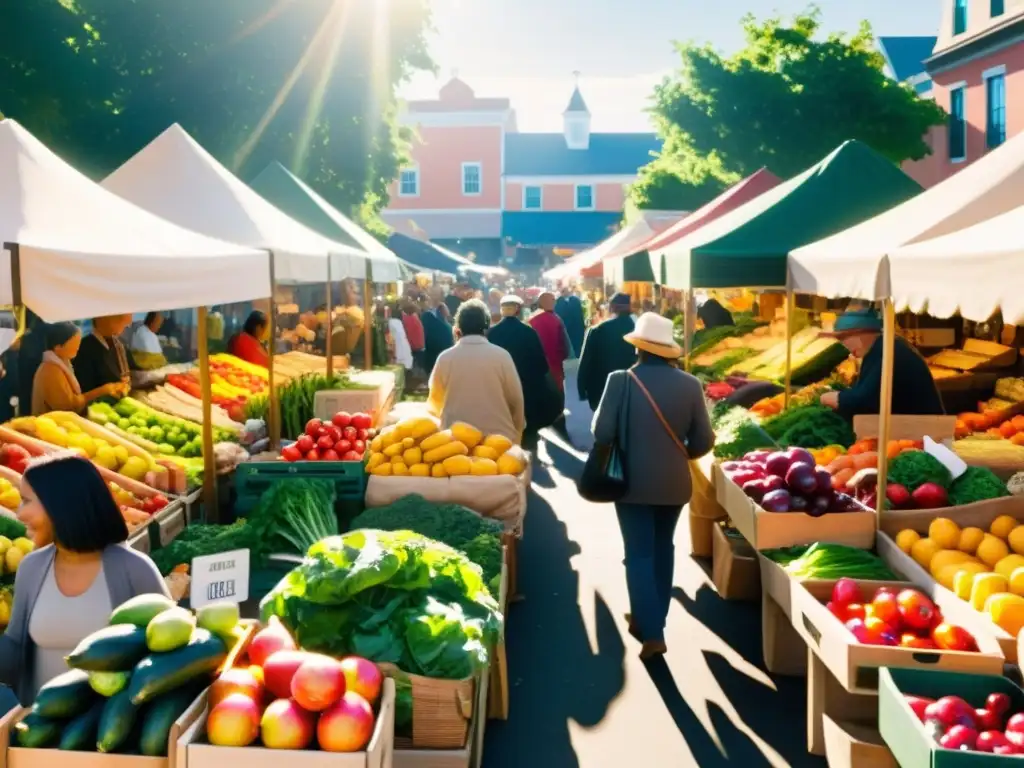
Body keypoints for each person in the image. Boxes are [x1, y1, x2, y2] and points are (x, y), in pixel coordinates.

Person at [592, 313, 715, 660]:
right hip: (675, 482)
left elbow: (602, 434)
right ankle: (650, 618)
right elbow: (704, 440)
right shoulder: (690, 384)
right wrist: (677, 454)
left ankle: (653, 630)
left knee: (639, 553)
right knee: (663, 549)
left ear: (638, 350)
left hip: (630, 482)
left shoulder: (620, 381)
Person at [0, 453, 170, 704]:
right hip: (38, 731)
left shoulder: (134, 569)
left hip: (111, 731)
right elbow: (14, 651)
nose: (20, 513)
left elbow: (169, 652)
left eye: (27, 501)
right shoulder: (32, 568)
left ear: (61, 505)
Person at [427, 299, 525, 442]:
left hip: (457, 441)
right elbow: (516, 400)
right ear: (487, 326)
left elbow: (435, 402)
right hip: (499, 440)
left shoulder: (445, 358)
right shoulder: (501, 356)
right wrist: (517, 433)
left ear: (458, 328)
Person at [819, 308, 944, 419]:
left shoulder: (888, 351)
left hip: (922, 434)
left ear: (862, 332)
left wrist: (833, 398)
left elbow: (864, 401)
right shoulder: (879, 348)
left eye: (844, 338)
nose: (845, 346)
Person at [487, 295, 560, 449]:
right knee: (528, 437)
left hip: (500, 390)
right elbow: (542, 365)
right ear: (518, 310)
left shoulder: (491, 334)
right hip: (527, 391)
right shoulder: (529, 332)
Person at [31, 323, 124, 415]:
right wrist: (101, 391)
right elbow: (68, 406)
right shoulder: (50, 371)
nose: (77, 347)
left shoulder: (62, 364)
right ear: (58, 347)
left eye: (78, 343)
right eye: (73, 343)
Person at [577, 293, 637, 411]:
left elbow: (586, 362)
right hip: (632, 390)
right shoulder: (638, 330)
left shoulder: (597, 330)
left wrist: (582, 389)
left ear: (612, 307)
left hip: (601, 390)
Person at [74, 315, 137, 396]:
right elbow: (85, 389)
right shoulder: (84, 348)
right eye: (122, 321)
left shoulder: (120, 344)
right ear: (103, 319)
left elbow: (134, 371)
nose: (127, 325)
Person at [529, 292, 571, 391]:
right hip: (556, 365)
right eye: (553, 300)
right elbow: (565, 346)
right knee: (558, 393)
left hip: (537, 367)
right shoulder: (556, 320)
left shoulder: (531, 320)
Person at [421, 286, 455, 374]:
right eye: (432, 294)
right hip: (432, 353)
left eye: (436, 294)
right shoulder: (426, 314)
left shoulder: (443, 309)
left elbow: (450, 326)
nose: (434, 297)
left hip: (446, 351)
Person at [555, 287, 586, 358]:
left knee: (576, 347)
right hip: (569, 329)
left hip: (574, 329)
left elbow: (580, 315)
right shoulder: (559, 302)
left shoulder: (574, 301)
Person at [387, 303, 414, 371]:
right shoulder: (399, 323)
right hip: (407, 359)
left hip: (400, 361)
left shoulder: (391, 323)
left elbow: (392, 343)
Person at [401, 300, 426, 371]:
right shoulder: (415, 318)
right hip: (419, 346)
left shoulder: (408, 319)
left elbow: (407, 334)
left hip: (414, 347)